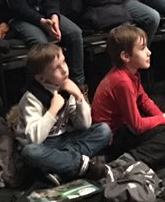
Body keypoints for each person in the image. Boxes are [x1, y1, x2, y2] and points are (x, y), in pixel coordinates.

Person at [90, 25, 165, 169]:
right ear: (126, 56)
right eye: (142, 48)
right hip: (114, 138)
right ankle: (126, 161)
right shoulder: (122, 81)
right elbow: (137, 126)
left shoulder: (131, 73)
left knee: (162, 109)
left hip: (124, 129)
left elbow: (144, 100)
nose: (149, 52)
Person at [16, 43, 112, 184]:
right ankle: (81, 166)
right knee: (29, 152)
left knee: (104, 130)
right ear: (41, 78)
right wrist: (52, 110)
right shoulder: (32, 98)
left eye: (64, 62)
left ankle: (61, 165)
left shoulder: (66, 86)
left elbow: (84, 125)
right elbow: (34, 139)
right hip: (44, 145)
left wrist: (79, 97)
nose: (64, 70)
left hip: (65, 140)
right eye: (56, 68)